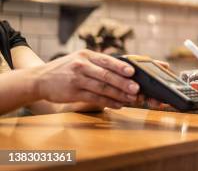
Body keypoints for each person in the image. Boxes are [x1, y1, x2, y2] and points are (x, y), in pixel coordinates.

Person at [0, 19, 140, 116]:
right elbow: (40, 80)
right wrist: (41, 81)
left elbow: (56, 106)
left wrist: (100, 90)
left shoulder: (4, 33)